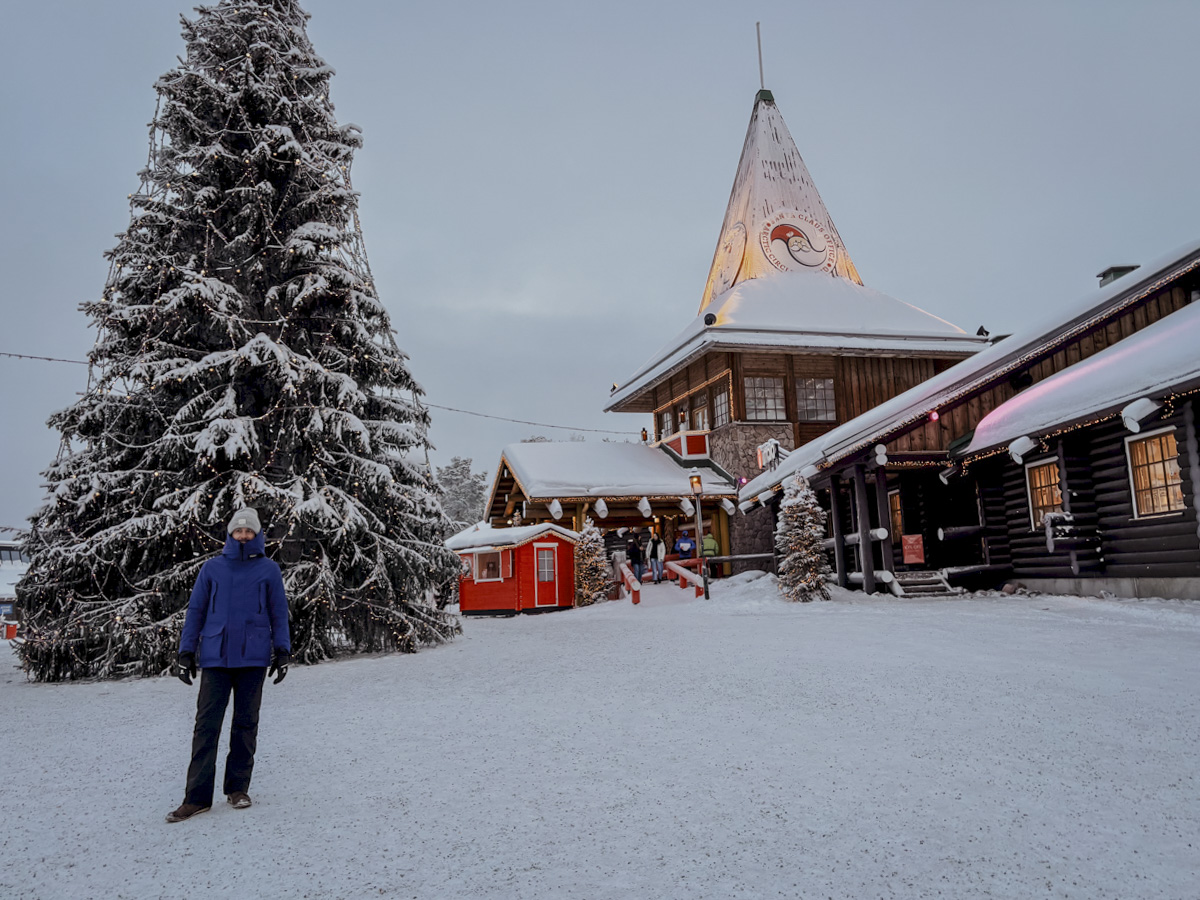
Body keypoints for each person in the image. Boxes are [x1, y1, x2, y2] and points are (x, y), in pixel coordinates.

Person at [166, 508, 291, 824]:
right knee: (206, 726)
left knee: (246, 725)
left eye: (249, 531)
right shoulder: (212, 569)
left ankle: (237, 789)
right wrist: (185, 652)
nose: (244, 535)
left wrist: (283, 651)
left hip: (253, 657)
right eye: (239, 530)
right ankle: (196, 798)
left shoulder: (269, 570)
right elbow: (196, 611)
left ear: (257, 534)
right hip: (216, 657)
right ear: (230, 533)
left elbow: (278, 612)